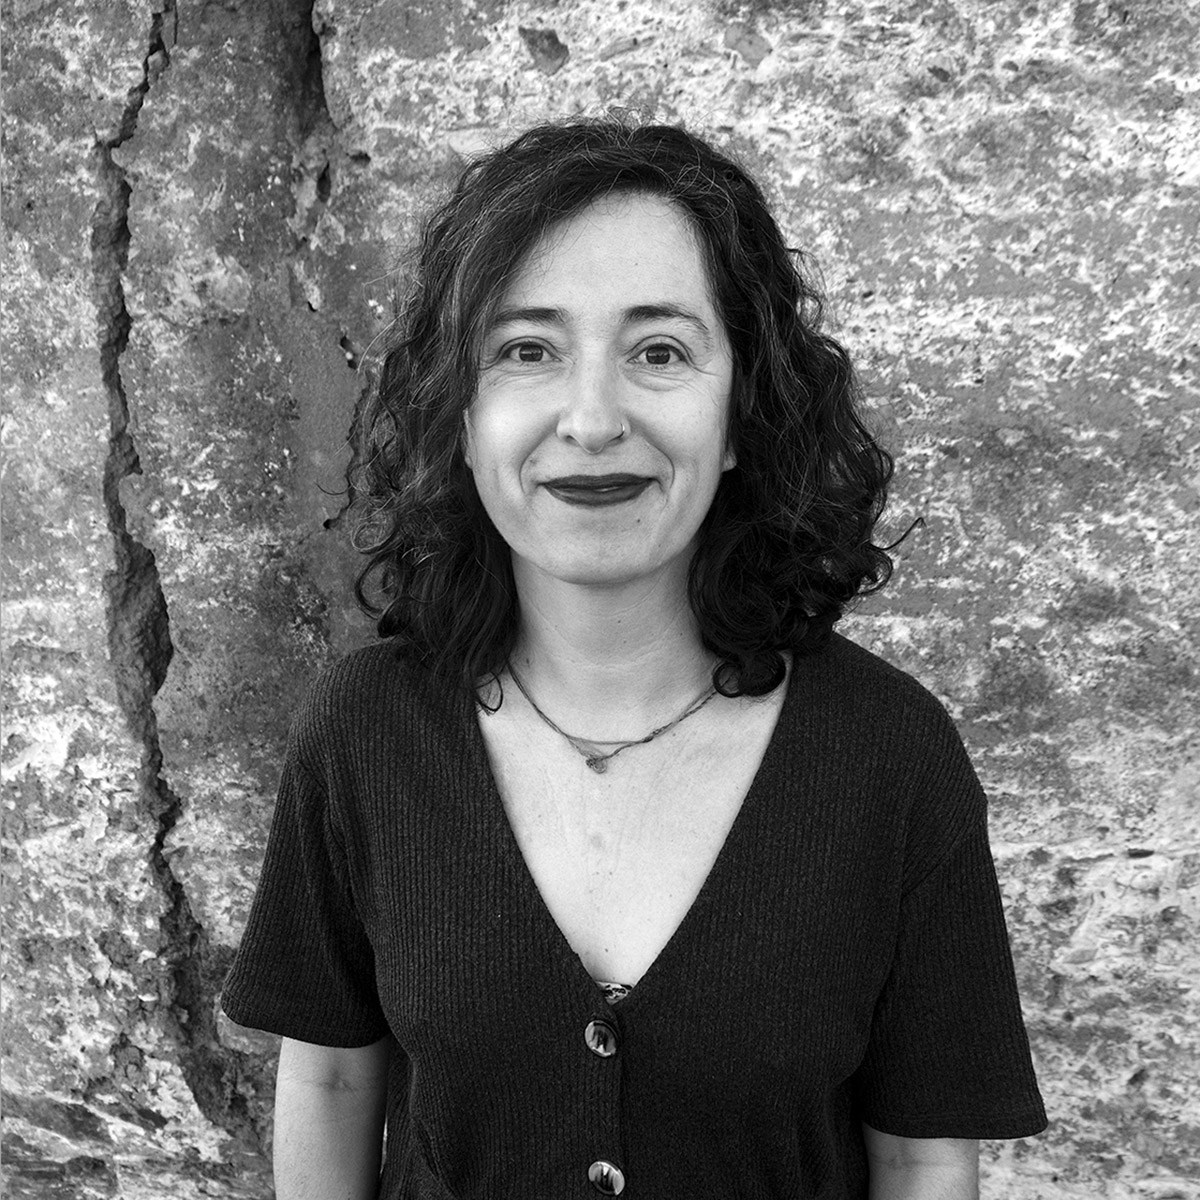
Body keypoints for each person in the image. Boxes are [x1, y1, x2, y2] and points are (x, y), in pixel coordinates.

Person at [221, 117, 1046, 1199]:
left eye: (659, 352)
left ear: (742, 410)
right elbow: (331, 1082)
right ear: (461, 416)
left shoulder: (891, 756)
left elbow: (923, 1156)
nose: (593, 419)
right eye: (527, 350)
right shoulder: (365, 730)